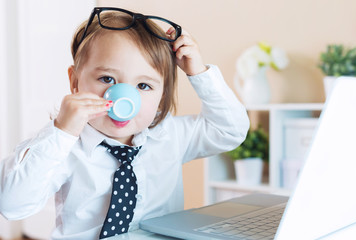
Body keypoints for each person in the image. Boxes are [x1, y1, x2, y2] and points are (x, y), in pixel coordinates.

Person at [0, 7, 249, 239]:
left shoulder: (171, 136)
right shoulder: (63, 146)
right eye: (107, 78)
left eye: (143, 86)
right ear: (75, 82)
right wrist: (61, 132)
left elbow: (231, 131)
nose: (122, 97)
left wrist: (199, 73)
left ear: (161, 95)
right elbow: (12, 205)